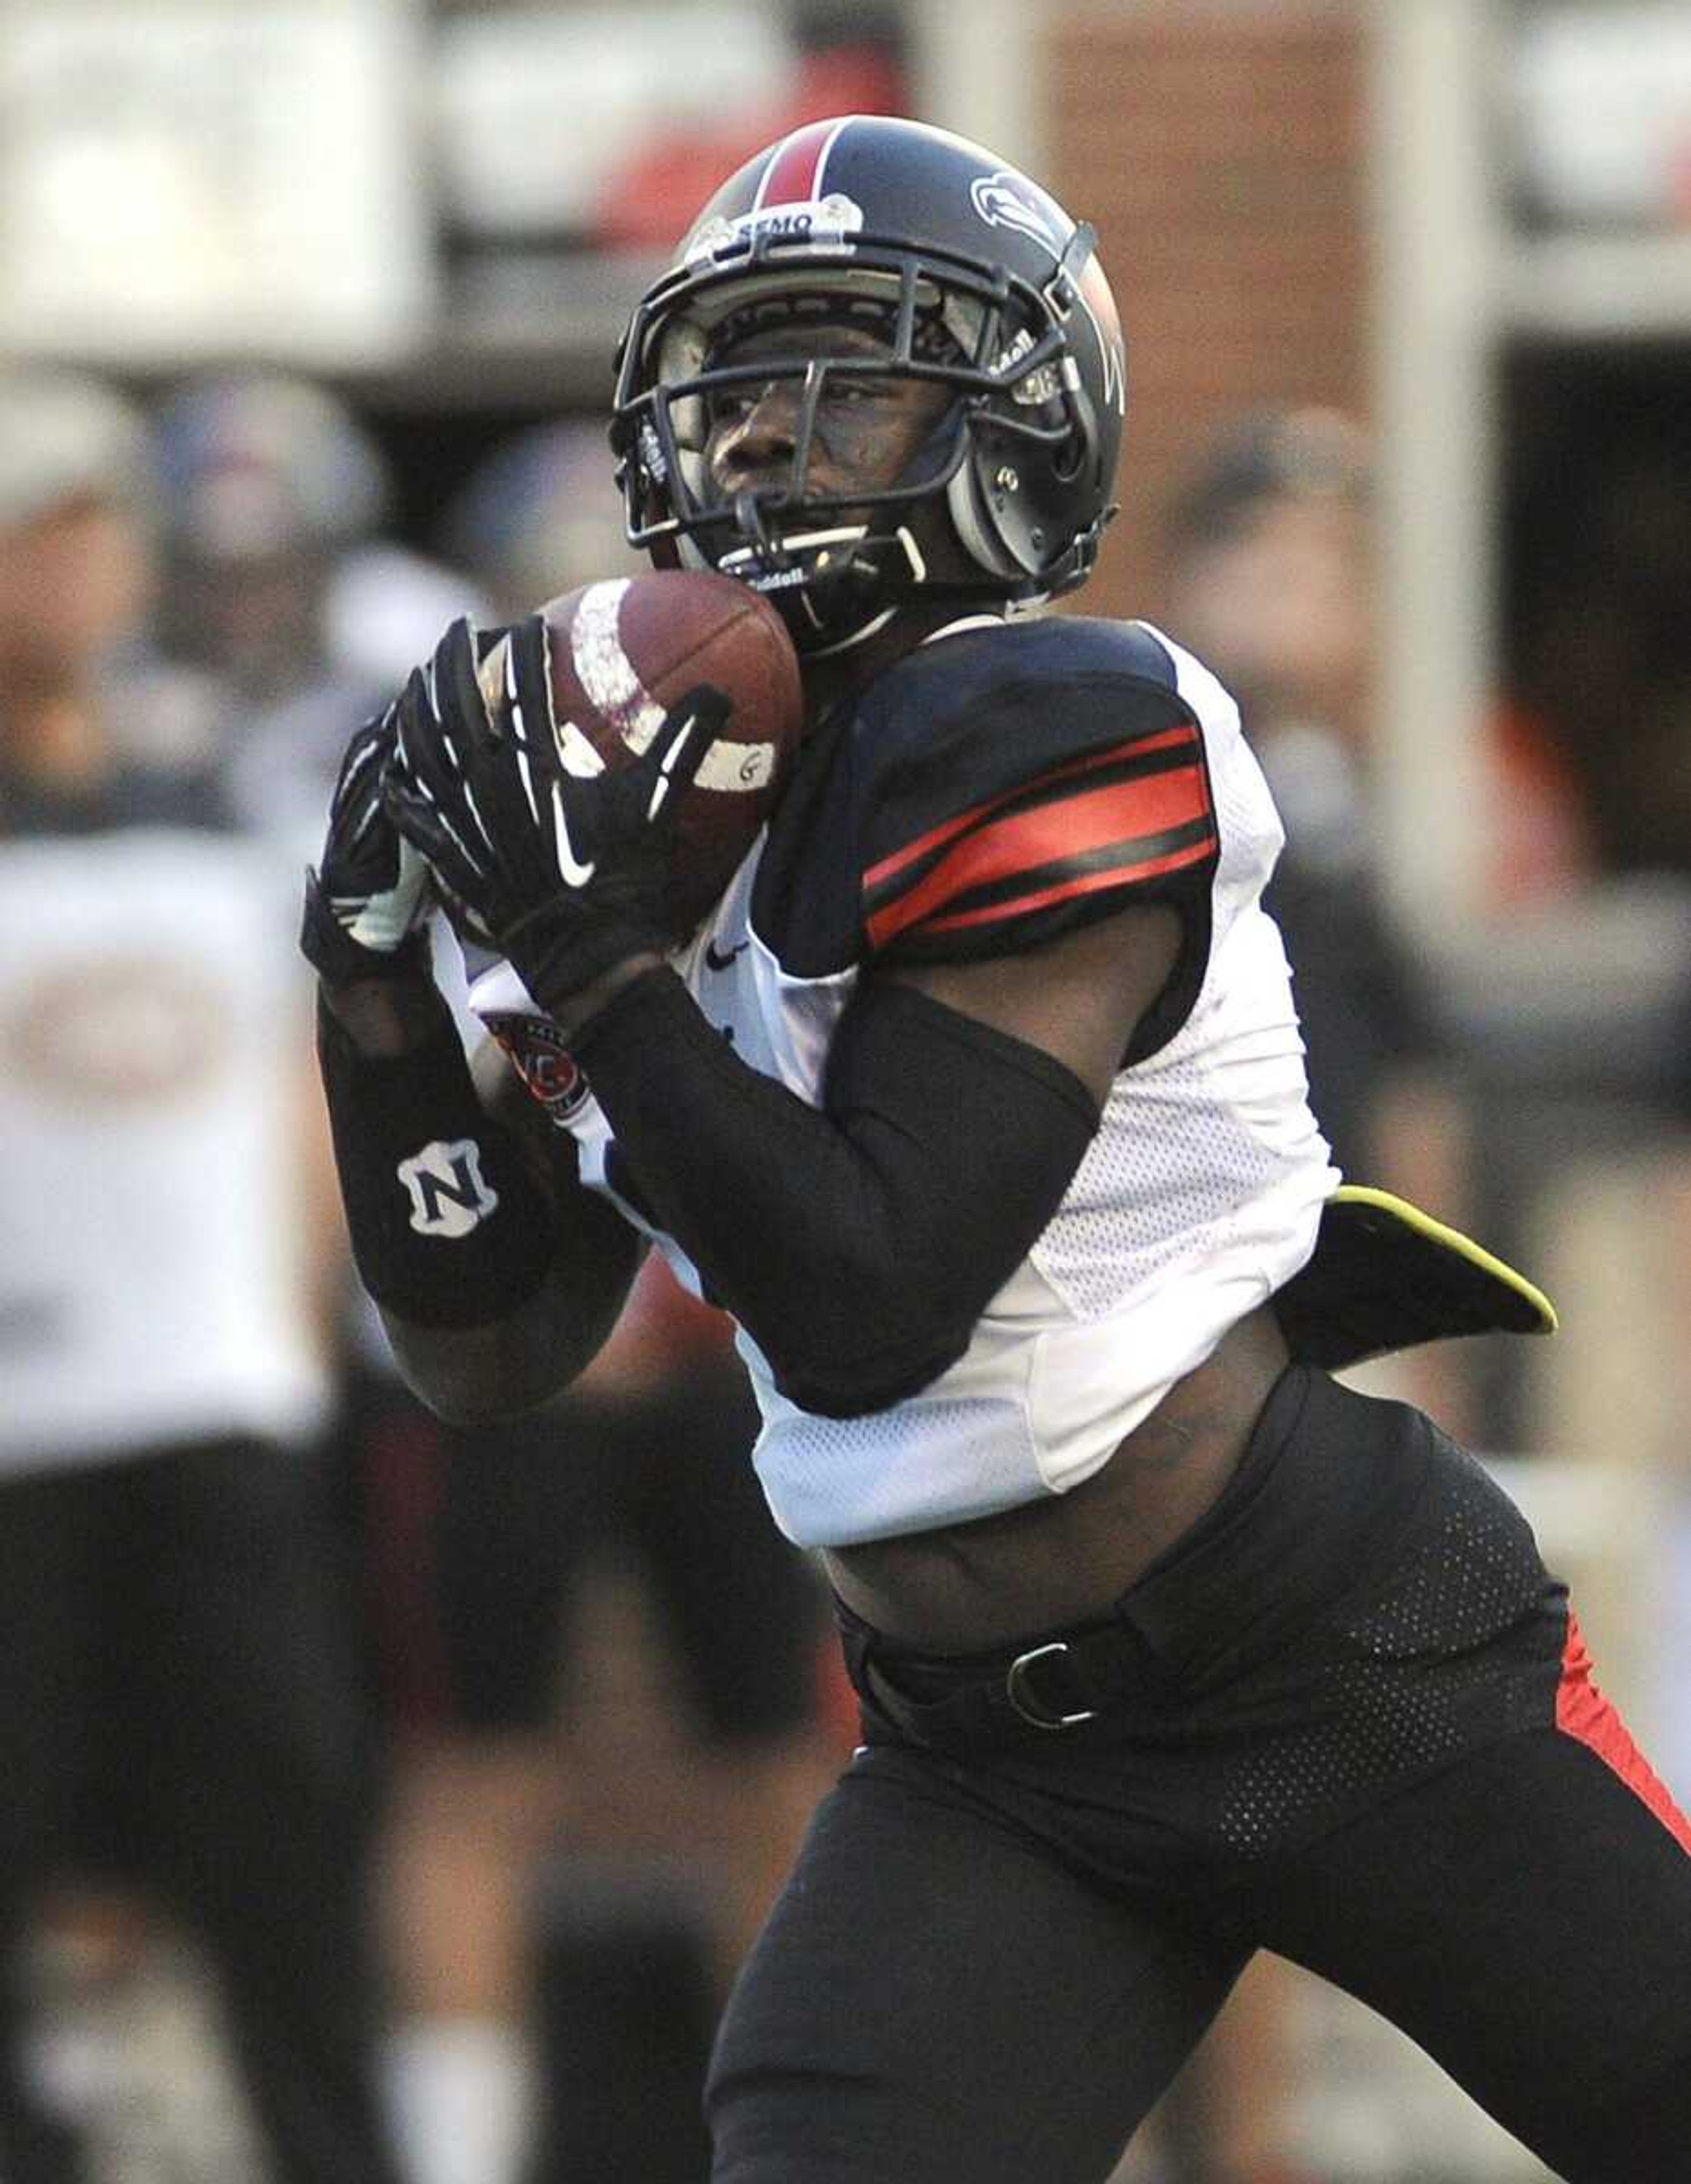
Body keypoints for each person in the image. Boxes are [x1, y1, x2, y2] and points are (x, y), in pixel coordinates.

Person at [301, 117, 1691, 2183]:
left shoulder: (1055, 714)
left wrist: (596, 956)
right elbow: (493, 1341)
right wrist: (373, 979)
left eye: (848, 380)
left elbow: (873, 1294)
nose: (769, 442)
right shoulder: (672, 794)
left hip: (1325, 1645)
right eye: (741, 386)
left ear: (1015, 422)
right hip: (982, 1747)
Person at [0, 367, 404, 2184]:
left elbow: (286, 1083)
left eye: (90, 535)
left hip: (220, 1411)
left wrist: (302, 1322)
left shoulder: (210, 805)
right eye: (34, 538)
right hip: (23, 1437)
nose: (66, 576)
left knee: (292, 1849)